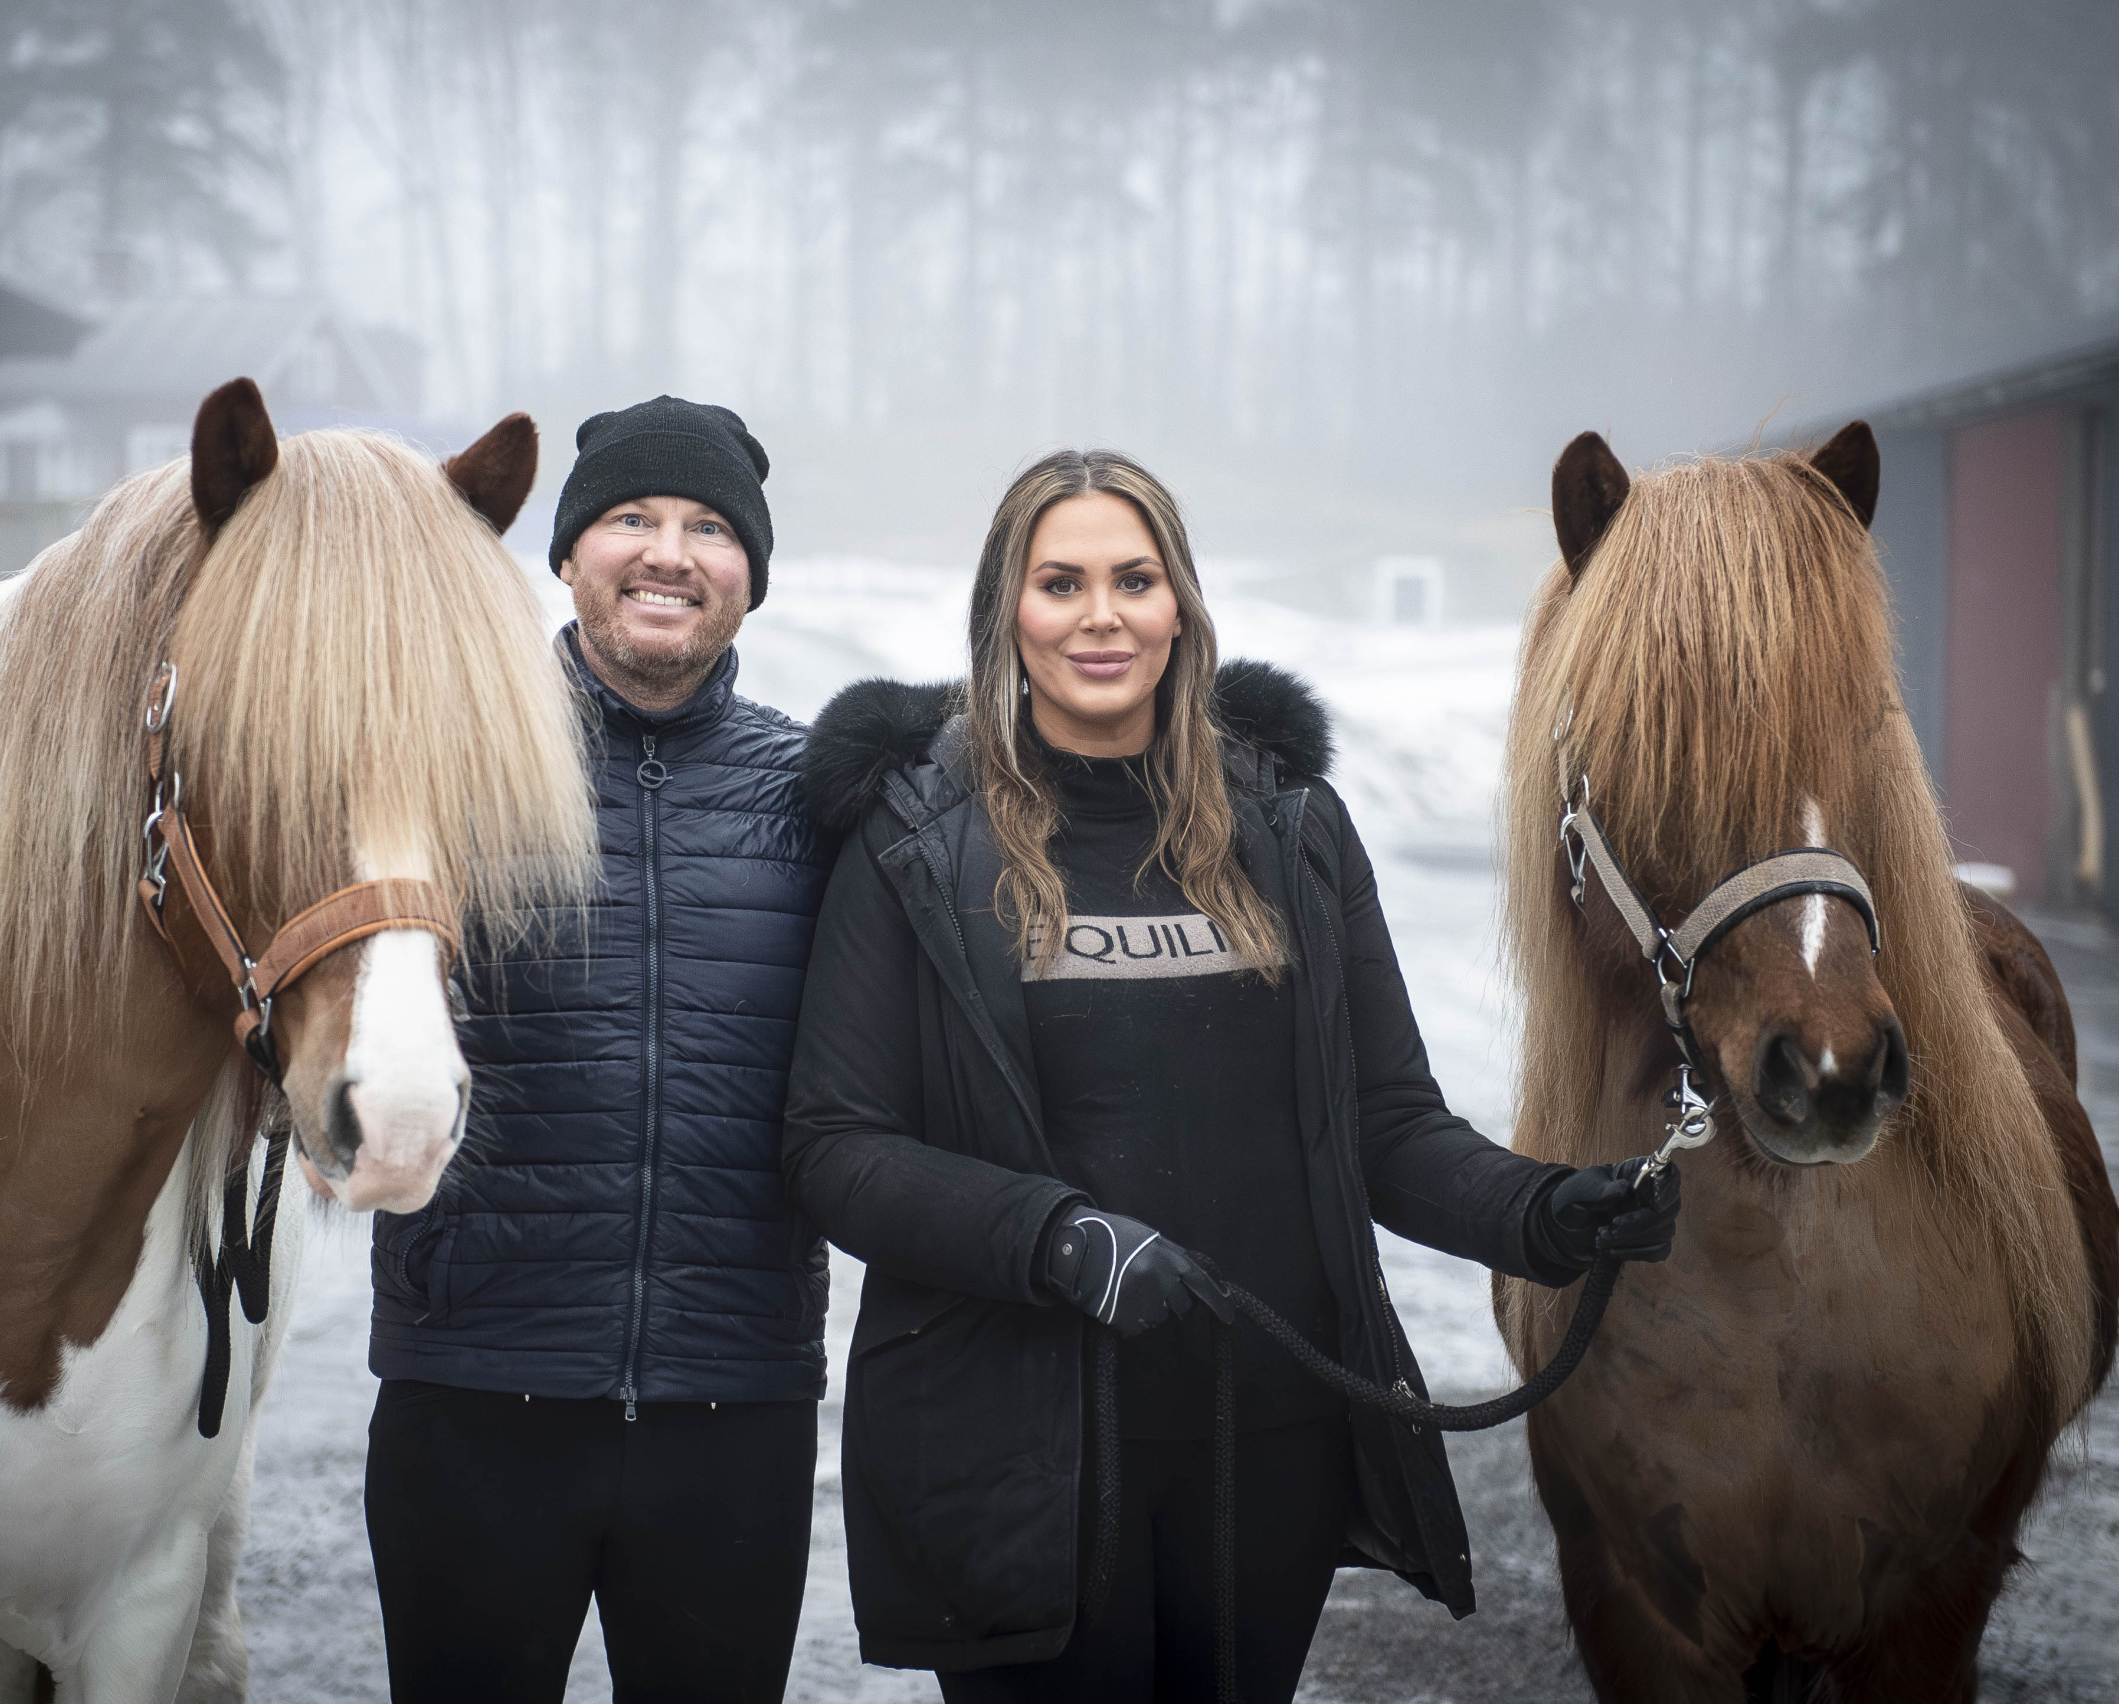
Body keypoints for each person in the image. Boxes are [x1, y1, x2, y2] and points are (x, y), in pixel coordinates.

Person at [784, 449, 1680, 1701]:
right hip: (1023, 1444)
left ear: (1182, 606)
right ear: (1006, 612)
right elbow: (836, 1146)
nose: (1101, 615)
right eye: (1061, 582)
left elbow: (1385, 1122)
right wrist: (1058, 1238)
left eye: (1134, 579)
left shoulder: (1291, 826)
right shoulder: (918, 838)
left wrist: (1539, 1212)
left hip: (1267, 1439)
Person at [364, 397, 836, 1703]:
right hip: (472, 1396)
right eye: (631, 518)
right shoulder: (446, 770)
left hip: (733, 1412)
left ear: (752, 575)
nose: (669, 552)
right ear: (568, 557)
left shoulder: (818, 801)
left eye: (708, 528)